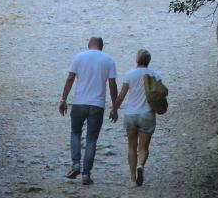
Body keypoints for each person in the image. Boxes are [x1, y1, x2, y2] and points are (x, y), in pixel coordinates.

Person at [58, 36, 118, 186]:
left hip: (79, 103)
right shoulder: (108, 60)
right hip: (97, 105)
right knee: (91, 139)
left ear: (89, 45)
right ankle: (86, 174)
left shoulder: (79, 57)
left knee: (75, 133)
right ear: (102, 47)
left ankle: (76, 163)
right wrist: (115, 107)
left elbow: (70, 78)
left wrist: (63, 99)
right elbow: (112, 85)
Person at [111, 49, 161, 187]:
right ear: (149, 61)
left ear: (137, 59)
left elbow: (121, 96)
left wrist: (114, 110)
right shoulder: (154, 74)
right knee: (143, 147)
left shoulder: (129, 74)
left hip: (131, 114)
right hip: (147, 114)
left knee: (131, 146)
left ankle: (132, 179)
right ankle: (141, 165)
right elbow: (161, 94)